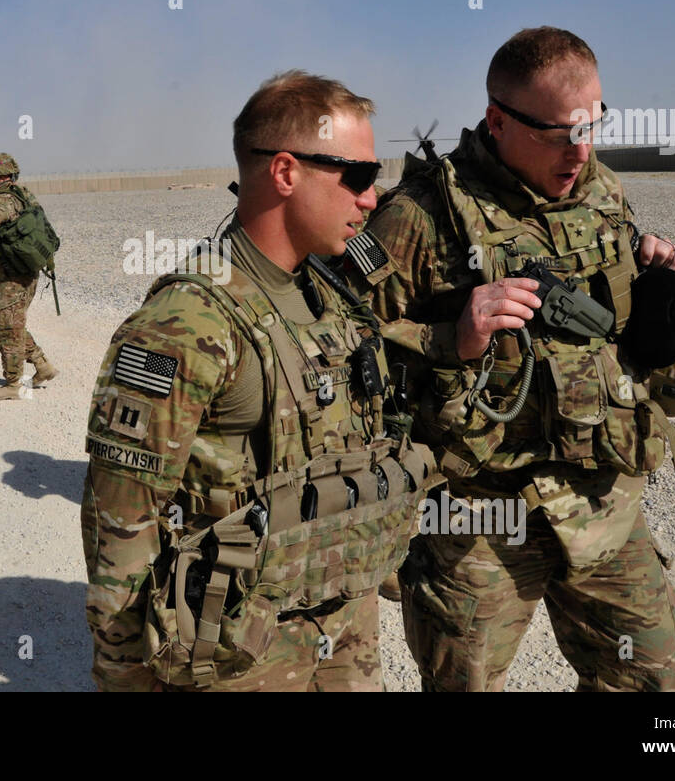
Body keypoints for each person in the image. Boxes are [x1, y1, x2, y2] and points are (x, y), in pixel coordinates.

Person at [355, 26, 675, 691]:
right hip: (480, 513)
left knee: (648, 679)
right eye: (558, 134)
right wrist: (450, 339)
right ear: (497, 121)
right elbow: (337, 349)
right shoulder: (421, 219)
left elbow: (614, 322)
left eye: (593, 126)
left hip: (599, 496)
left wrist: (660, 282)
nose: (580, 151)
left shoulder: (602, 193)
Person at [81, 71, 438, 692]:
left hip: (344, 621)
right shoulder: (186, 324)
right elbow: (120, 520)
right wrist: (123, 675)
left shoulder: (332, 295)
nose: (371, 198)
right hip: (241, 650)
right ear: (285, 173)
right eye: (356, 175)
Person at [0, 154, 57, 400]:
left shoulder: (2, 201)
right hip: (30, 270)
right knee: (16, 323)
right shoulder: (23, 194)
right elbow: (2, 210)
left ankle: (13, 384)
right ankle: (42, 365)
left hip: (12, 275)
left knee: (7, 330)